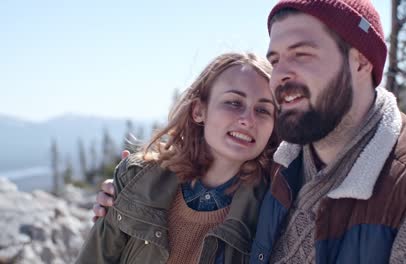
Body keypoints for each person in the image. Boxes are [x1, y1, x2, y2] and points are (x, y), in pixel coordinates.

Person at [94, 1, 406, 263]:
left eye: (301, 54)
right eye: (275, 59)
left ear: (361, 61)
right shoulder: (281, 164)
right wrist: (128, 193)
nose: (281, 73)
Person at [76, 52, 279, 264]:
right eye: (234, 103)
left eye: (263, 110)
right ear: (199, 111)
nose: (248, 120)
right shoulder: (139, 181)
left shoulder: (271, 209)